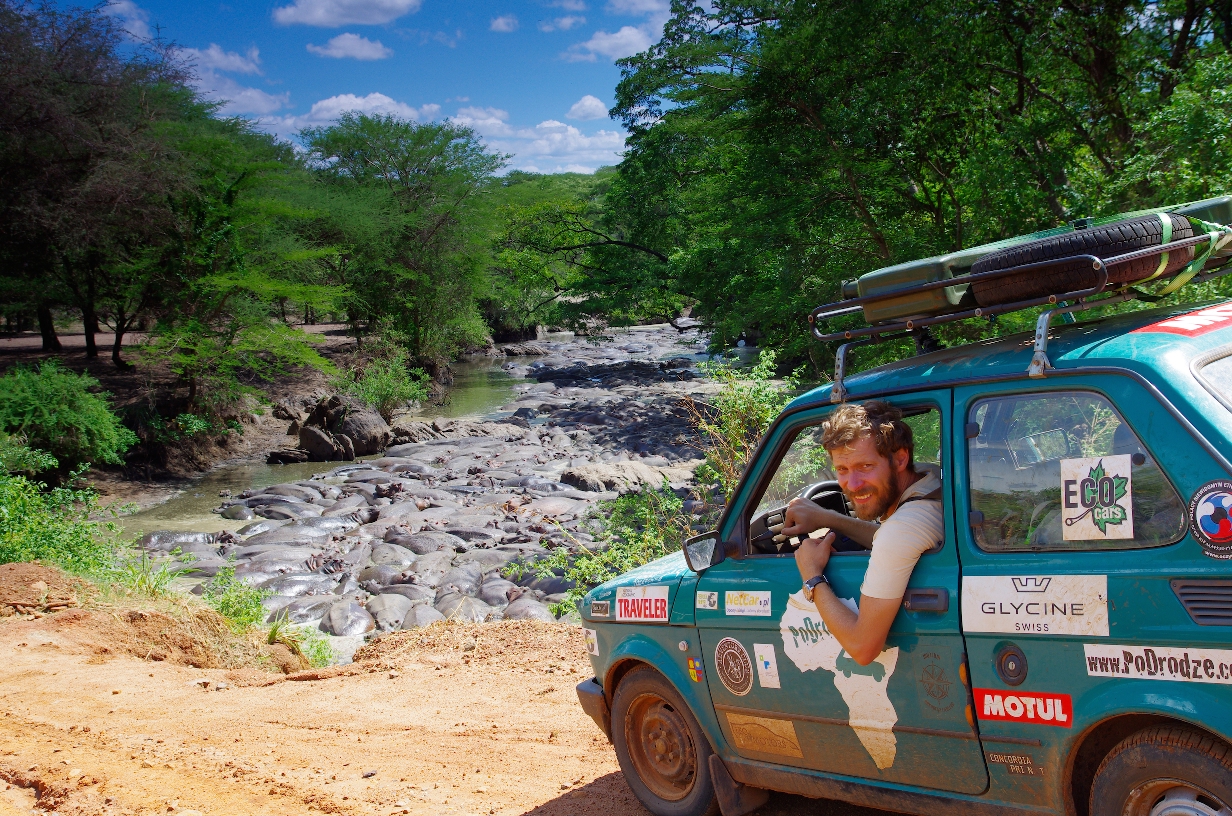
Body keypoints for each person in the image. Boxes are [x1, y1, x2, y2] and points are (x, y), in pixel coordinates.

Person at [783, 400, 942, 665]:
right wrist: (828, 518)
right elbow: (891, 536)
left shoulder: (902, 530)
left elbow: (862, 647)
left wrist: (812, 575)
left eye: (865, 467)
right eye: (842, 469)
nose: (853, 485)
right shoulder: (930, 477)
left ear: (900, 458)